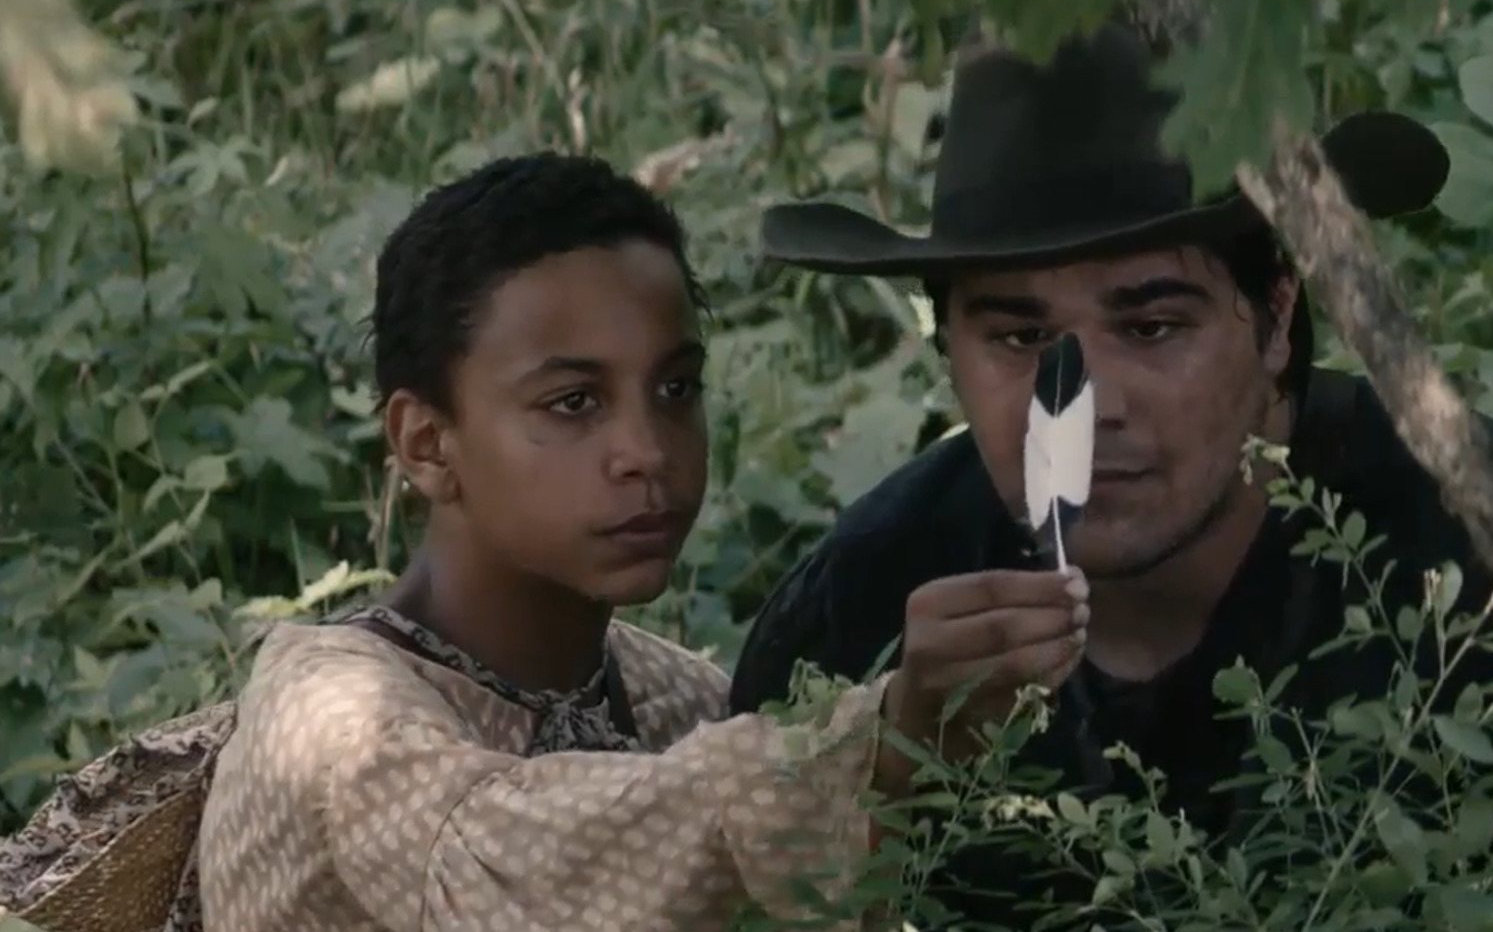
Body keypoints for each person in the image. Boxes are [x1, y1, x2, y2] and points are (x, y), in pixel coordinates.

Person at [730, 23, 1493, 929]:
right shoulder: (865, 607)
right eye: (1018, 334)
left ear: (1274, 318)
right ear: (944, 340)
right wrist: (891, 763)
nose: (1087, 402)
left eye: (1153, 324)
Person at [181, 153, 1084, 932]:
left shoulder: (670, 696)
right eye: (573, 402)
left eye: (676, 388)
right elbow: (521, 868)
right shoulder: (330, 718)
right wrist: (881, 742)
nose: (647, 453)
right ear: (426, 442)